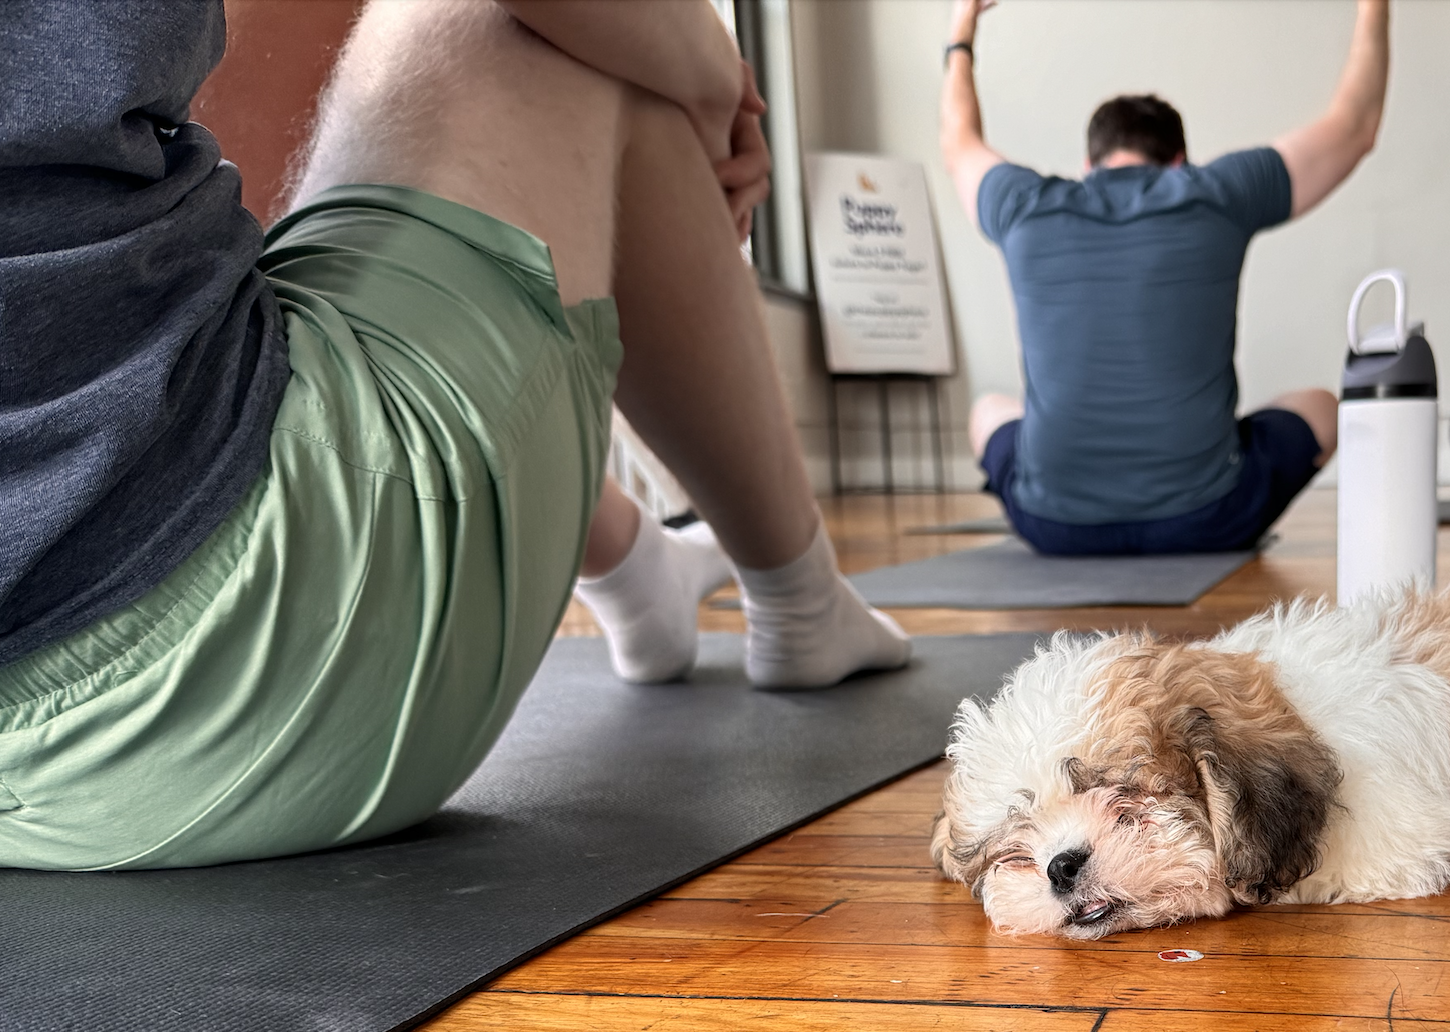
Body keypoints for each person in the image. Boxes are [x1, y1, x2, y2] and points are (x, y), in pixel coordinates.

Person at [0, 0, 911, 872]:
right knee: (529, 27)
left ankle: (635, 567)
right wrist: (719, 92)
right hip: (205, 708)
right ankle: (800, 599)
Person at [939, 0, 1388, 556]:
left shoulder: (1024, 205)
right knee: (1323, 404)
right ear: (1179, 161)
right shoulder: (1215, 193)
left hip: (1052, 524)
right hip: (1209, 518)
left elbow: (958, 142)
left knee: (987, 412)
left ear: (1090, 164)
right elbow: (1354, 127)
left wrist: (963, 26)